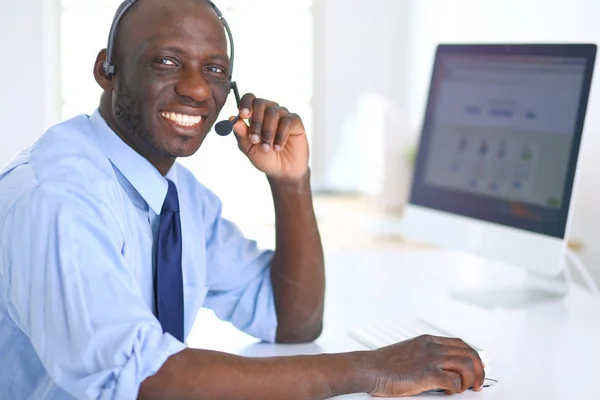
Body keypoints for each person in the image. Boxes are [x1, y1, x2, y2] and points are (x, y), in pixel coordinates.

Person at [0, 0, 485, 399]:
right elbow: (147, 378)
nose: (194, 89)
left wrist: (291, 182)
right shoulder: (58, 197)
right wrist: (375, 369)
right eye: (166, 62)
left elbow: (291, 320)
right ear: (107, 70)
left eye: (214, 70)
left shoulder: (179, 196)